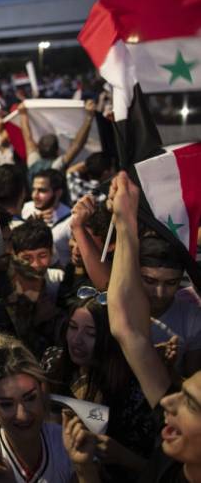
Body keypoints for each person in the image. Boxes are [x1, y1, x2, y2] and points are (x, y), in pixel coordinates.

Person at [106, 171, 201, 482]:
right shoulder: (174, 457)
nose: (168, 401)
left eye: (191, 404)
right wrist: (125, 222)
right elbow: (127, 329)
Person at [42, 296, 155, 481]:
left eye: (91, 334)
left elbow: (153, 468)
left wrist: (122, 456)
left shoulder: (133, 389)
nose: (77, 340)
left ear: (109, 338)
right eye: (73, 327)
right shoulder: (52, 361)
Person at [0, 333, 100, 483]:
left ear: (42, 389)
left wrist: (84, 469)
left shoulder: (65, 443)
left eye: (30, 398)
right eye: (7, 404)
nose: (22, 415)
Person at [138, 234, 201, 377]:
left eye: (171, 283)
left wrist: (168, 371)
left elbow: (193, 384)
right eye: (150, 281)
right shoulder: (115, 310)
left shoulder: (193, 319)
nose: (159, 293)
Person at [21, 168, 72, 267]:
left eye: (42, 191)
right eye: (33, 189)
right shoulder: (26, 207)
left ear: (58, 193)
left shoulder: (70, 219)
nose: (35, 195)